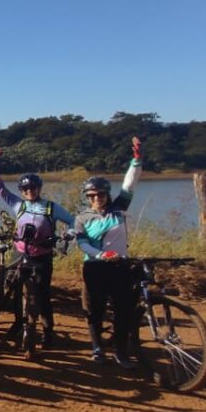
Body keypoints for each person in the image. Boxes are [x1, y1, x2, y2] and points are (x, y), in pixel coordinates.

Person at [0, 147, 76, 348]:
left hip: (42, 255)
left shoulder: (51, 207)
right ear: (21, 191)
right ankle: (19, 323)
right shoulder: (19, 204)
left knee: (43, 294)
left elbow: (72, 221)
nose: (30, 191)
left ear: (39, 188)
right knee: (15, 291)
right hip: (20, 253)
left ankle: (47, 331)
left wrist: (69, 234)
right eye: (25, 189)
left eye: (33, 188)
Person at [75, 137, 143, 368]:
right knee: (94, 310)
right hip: (94, 268)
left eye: (100, 194)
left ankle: (121, 352)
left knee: (123, 311)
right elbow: (82, 244)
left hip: (120, 267)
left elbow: (129, 184)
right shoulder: (82, 218)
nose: (96, 199)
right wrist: (100, 255)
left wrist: (136, 160)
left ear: (107, 194)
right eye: (91, 196)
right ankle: (97, 348)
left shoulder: (119, 208)